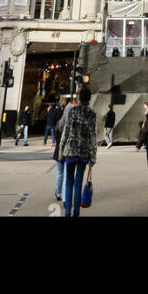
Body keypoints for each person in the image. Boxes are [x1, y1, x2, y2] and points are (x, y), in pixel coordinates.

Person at [58, 85, 97, 217]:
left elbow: (66, 131)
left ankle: (67, 212)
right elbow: (93, 136)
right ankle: (76, 212)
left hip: (70, 150)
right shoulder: (92, 114)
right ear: (89, 99)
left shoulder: (72, 111)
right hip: (83, 152)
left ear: (80, 97)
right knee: (78, 182)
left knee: (69, 181)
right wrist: (93, 157)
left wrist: (61, 150)